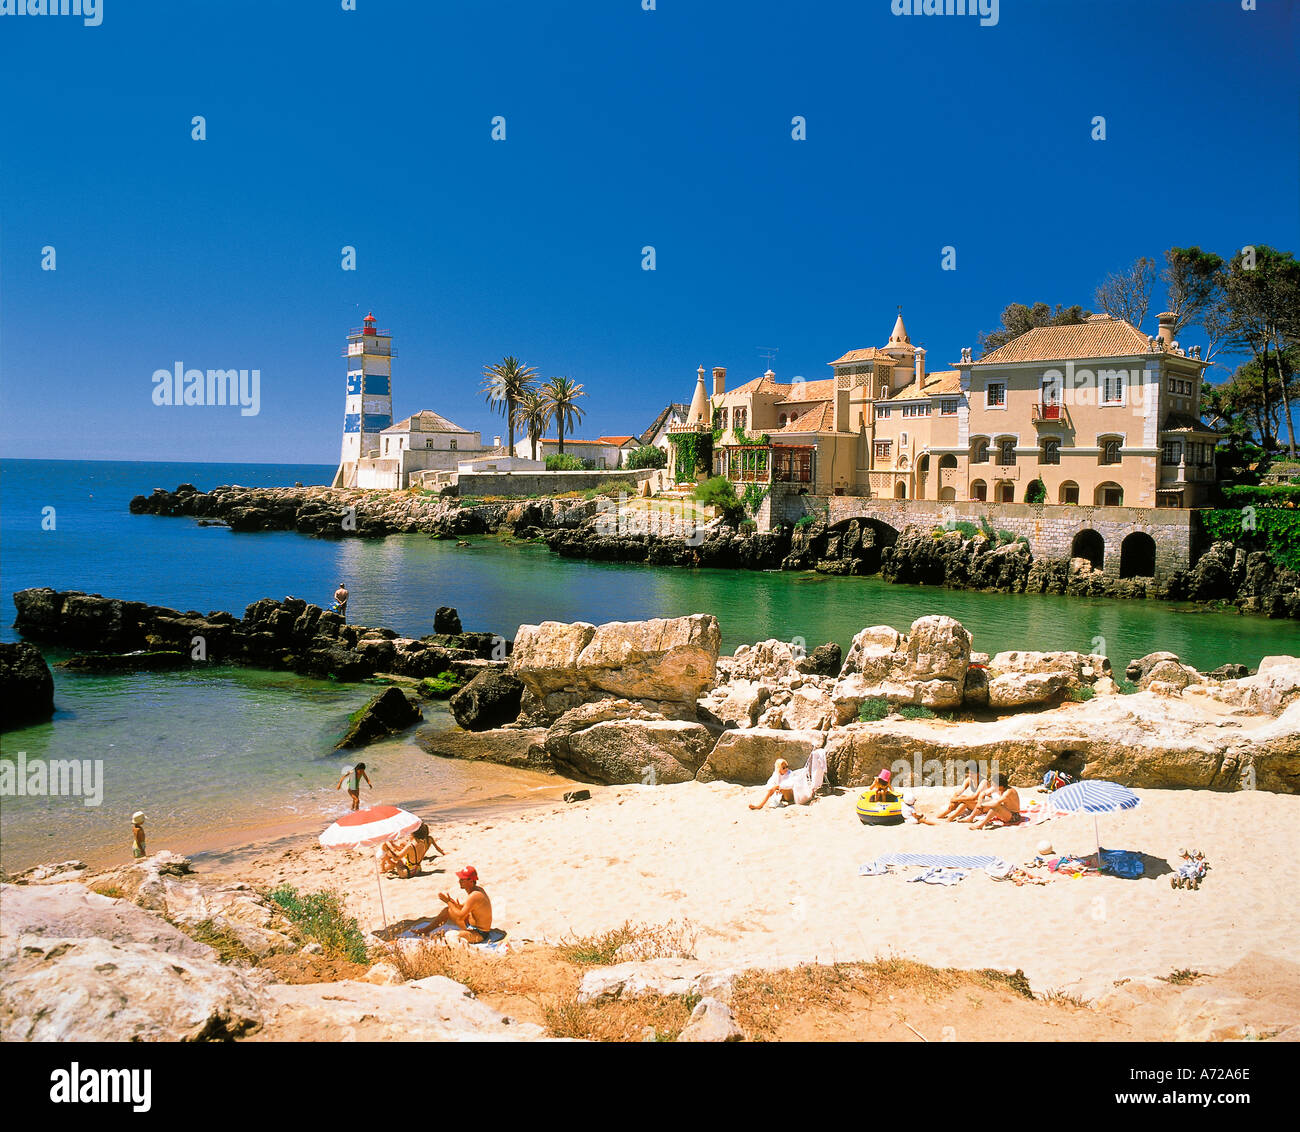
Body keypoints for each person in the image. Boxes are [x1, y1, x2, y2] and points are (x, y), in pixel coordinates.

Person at [418, 866, 494, 945]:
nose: (459, 881)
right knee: (447, 910)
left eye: (462, 880)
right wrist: (453, 903)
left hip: (479, 933)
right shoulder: (476, 890)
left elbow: (461, 917)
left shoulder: (475, 895)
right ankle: (425, 930)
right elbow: (466, 908)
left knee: (451, 936)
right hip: (471, 926)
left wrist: (448, 902)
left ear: (471, 881)